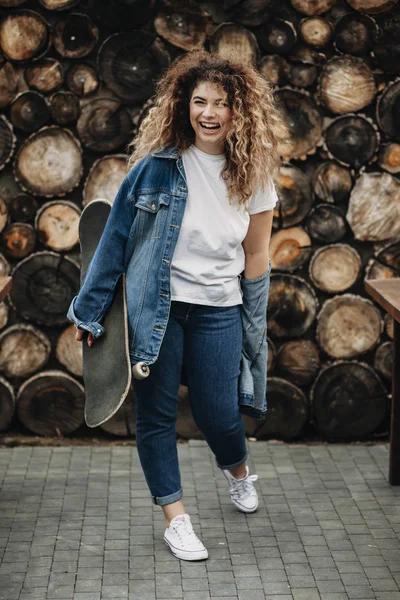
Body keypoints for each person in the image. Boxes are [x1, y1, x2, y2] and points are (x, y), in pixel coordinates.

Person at [67, 50, 288, 562]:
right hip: (156, 311)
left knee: (219, 414)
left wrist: (253, 326)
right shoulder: (154, 169)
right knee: (157, 417)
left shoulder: (253, 176)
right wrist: (89, 310)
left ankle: (237, 471)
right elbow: (114, 241)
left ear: (241, 112)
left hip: (219, 309)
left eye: (222, 103)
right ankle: (177, 520)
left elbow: (256, 255)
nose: (208, 113)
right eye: (199, 101)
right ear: (183, 106)